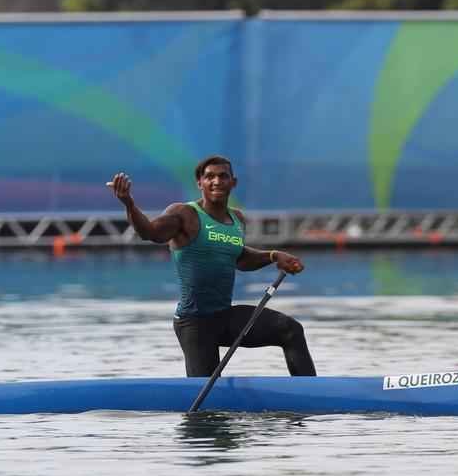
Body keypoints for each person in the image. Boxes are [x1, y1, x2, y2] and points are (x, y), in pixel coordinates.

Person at [108, 155, 317, 378]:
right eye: (209, 177)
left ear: (233, 182)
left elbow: (239, 258)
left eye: (223, 176)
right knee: (206, 397)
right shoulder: (184, 214)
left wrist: (274, 256)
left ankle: (309, 392)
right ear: (200, 183)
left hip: (225, 316)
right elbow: (150, 233)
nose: (216, 181)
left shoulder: (237, 219)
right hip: (194, 323)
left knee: (291, 330)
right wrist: (129, 204)